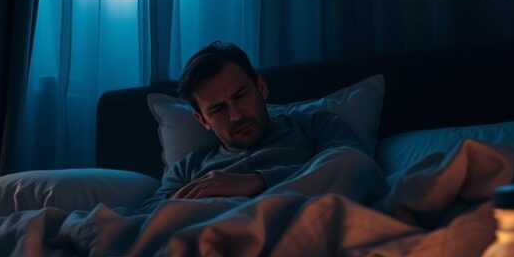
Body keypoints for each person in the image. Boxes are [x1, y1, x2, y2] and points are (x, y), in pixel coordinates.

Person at [138, 42, 365, 212]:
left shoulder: (314, 126)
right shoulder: (189, 168)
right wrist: (187, 201)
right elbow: (145, 214)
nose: (236, 116)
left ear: (261, 87)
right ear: (203, 120)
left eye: (241, 96)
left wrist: (255, 182)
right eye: (218, 109)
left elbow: (357, 166)